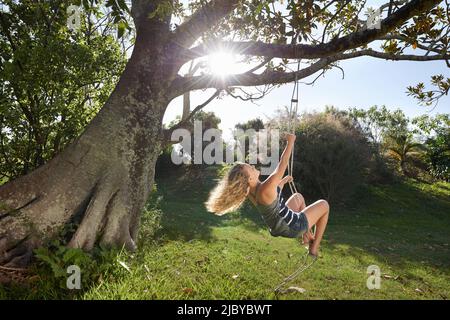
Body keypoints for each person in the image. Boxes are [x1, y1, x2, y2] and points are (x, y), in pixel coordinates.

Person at [205, 133, 329, 257]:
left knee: (298, 197)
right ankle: (314, 248)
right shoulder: (266, 188)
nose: (253, 167)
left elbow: (275, 195)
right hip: (292, 226)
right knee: (324, 205)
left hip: (279, 225)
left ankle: (307, 235)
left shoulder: (253, 193)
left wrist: (284, 181)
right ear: (250, 180)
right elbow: (283, 162)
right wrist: (290, 142)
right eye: (251, 169)